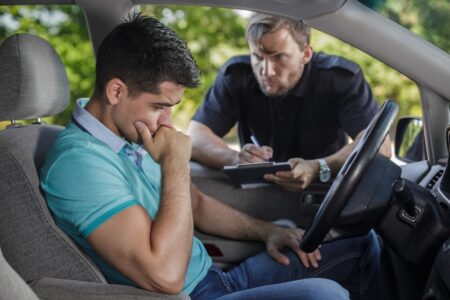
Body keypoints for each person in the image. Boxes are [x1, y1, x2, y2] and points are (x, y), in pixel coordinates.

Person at [40, 13, 379, 300]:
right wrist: (174, 162)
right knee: (325, 296)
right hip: (193, 293)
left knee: (364, 247)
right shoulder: (78, 163)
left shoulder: (123, 136)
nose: (167, 124)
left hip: (216, 278)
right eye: (159, 107)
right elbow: (167, 277)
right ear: (116, 91)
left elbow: (197, 205)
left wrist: (267, 231)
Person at [188, 13, 391, 191]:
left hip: (323, 192)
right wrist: (235, 159)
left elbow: (380, 146)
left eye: (279, 57)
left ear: (306, 54)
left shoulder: (340, 79)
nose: (266, 71)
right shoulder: (236, 75)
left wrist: (319, 166)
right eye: (258, 57)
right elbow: (196, 137)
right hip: (258, 192)